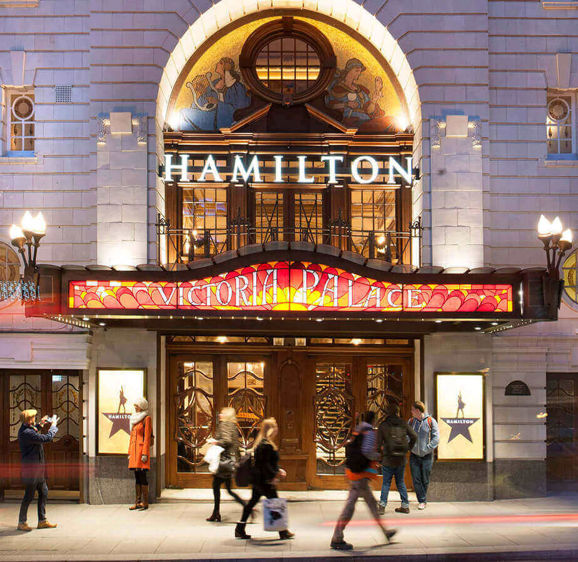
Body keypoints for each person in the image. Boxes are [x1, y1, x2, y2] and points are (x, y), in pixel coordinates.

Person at [330, 411, 397, 551]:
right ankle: (337, 537)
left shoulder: (358, 429)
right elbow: (367, 451)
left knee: (371, 504)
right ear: (374, 420)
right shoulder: (369, 432)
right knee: (350, 507)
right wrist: (378, 456)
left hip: (355, 473)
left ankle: (385, 531)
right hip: (359, 476)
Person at [234, 417, 294, 540]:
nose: (277, 430)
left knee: (252, 503)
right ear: (270, 430)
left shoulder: (262, 443)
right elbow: (265, 464)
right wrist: (274, 475)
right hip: (265, 480)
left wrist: (278, 470)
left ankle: (240, 528)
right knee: (275, 502)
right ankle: (283, 531)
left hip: (259, 479)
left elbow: (267, 463)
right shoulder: (266, 445)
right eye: (275, 427)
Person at [17, 409, 59, 531]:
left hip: (38, 469)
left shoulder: (27, 429)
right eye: (34, 417)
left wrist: (41, 424)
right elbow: (46, 438)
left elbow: (34, 430)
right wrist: (53, 426)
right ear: (29, 420)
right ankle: (22, 522)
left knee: (44, 492)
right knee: (29, 496)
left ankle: (42, 521)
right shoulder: (26, 433)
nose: (35, 418)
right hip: (31, 471)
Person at [376, 403, 417, 515]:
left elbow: (378, 444)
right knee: (400, 482)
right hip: (401, 459)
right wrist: (408, 448)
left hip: (388, 458)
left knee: (386, 483)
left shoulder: (383, 425)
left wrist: (380, 457)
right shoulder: (403, 423)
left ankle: (382, 506)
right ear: (397, 412)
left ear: (387, 412)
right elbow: (414, 436)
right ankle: (405, 506)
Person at [207, 407, 245, 522]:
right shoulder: (233, 426)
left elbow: (227, 441)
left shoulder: (224, 425)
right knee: (228, 489)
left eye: (222, 413)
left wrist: (215, 442)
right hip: (230, 461)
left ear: (227, 415)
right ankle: (217, 512)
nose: (220, 415)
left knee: (216, 486)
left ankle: (216, 513)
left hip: (224, 462)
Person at [408, 401, 440, 510]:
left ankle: (423, 499)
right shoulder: (411, 422)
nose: (411, 412)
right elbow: (406, 435)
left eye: (412, 410)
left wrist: (427, 448)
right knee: (416, 479)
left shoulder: (431, 421)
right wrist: (409, 446)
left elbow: (436, 438)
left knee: (425, 479)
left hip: (427, 456)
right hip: (414, 455)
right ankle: (422, 500)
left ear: (417, 410)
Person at [128, 397, 153, 511]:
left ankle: (145, 502)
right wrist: (129, 452)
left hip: (141, 452)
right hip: (134, 452)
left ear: (142, 406)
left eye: (137, 405)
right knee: (137, 476)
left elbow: (147, 437)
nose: (135, 407)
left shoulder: (146, 418)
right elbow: (132, 437)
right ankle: (137, 502)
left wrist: (145, 454)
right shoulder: (134, 418)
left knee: (142, 476)